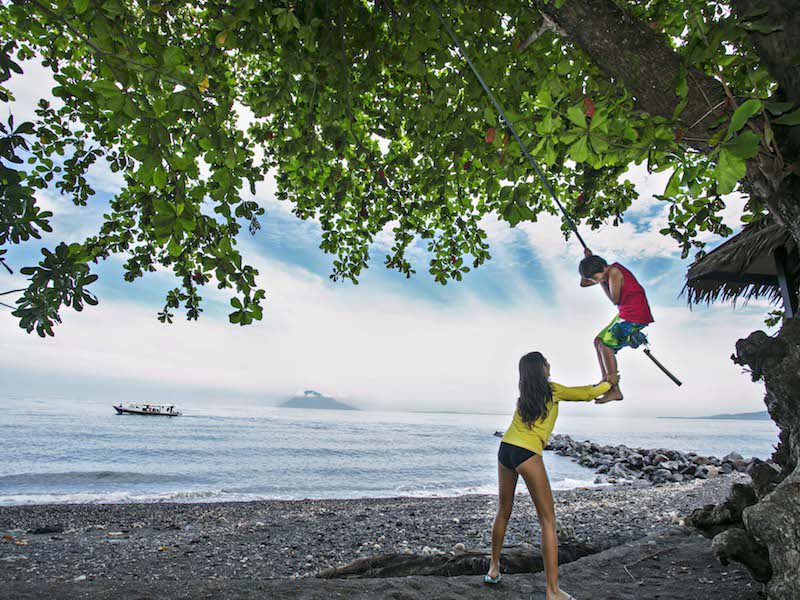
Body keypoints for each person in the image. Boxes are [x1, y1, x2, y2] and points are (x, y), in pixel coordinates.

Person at [485, 351, 611, 600]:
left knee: (503, 510)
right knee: (547, 521)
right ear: (542, 368)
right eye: (546, 362)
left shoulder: (524, 397)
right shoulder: (552, 390)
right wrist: (609, 381)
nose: (550, 364)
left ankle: (493, 569)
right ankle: (552, 591)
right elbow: (587, 393)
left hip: (506, 449)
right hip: (527, 453)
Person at [578, 249, 654, 403]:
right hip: (626, 315)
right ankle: (607, 381)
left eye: (595, 277)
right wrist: (589, 260)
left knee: (606, 346)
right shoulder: (604, 273)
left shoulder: (614, 273)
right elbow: (583, 283)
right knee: (598, 341)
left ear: (602, 269)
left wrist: (600, 282)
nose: (594, 281)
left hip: (635, 316)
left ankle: (614, 387)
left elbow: (615, 300)